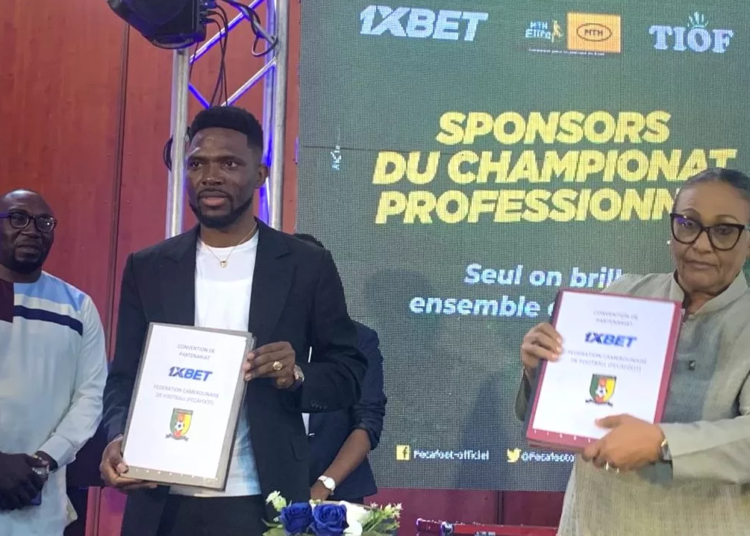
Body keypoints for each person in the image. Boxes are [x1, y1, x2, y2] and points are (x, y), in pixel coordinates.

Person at [99, 106, 367, 536]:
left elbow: (348, 372)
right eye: (197, 164)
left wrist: (296, 375)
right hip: (160, 498)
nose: (210, 176)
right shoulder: (148, 267)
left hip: (261, 497)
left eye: (228, 164)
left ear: (260, 175)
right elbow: (123, 377)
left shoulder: (306, 265)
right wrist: (117, 436)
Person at [516, 168, 750, 535]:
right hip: (594, 521)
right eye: (688, 224)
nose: (701, 245)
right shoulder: (622, 294)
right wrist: (540, 371)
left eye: (723, 231)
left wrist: (663, 443)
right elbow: (563, 410)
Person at [0, 189, 108, 536]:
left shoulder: (76, 307)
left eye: (44, 222)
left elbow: (91, 396)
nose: (32, 230)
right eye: (18, 218)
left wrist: (45, 460)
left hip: (40, 495)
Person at [294, 233, 387, 504]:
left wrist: (324, 486)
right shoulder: (257, 338)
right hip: (261, 489)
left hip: (338, 496)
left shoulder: (358, 340)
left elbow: (367, 419)